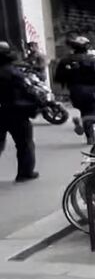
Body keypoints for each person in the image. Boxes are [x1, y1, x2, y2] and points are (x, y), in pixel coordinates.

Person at [53, 37, 95, 144]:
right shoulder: (91, 60)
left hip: (75, 91)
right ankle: (85, 124)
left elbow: (58, 78)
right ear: (86, 47)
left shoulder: (64, 61)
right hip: (92, 91)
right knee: (94, 117)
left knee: (85, 112)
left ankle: (90, 138)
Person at [0, 42, 40, 181]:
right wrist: (38, 103)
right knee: (24, 144)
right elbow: (27, 90)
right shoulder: (13, 72)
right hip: (15, 112)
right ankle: (25, 173)